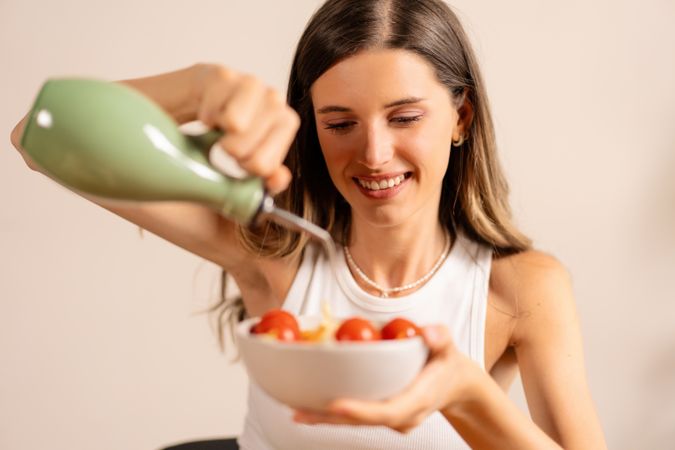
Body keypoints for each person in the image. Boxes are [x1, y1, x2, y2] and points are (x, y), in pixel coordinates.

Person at [10, 0, 607, 448]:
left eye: (404, 117)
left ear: (461, 117)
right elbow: (37, 134)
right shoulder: (272, 251)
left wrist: (467, 394)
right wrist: (197, 89)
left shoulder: (523, 289)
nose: (373, 154)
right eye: (340, 123)